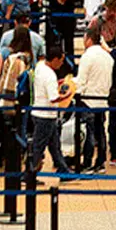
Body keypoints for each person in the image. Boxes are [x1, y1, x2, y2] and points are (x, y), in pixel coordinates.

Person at [31, 44, 74, 177]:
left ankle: (63, 169)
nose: (61, 64)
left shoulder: (40, 67)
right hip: (46, 115)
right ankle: (29, 174)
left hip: (39, 112)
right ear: (55, 59)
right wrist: (67, 95)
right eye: (61, 61)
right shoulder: (50, 75)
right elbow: (53, 98)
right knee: (38, 146)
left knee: (54, 145)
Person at [76, 29, 114, 172]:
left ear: (89, 39)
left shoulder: (87, 56)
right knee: (101, 132)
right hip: (103, 99)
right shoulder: (108, 57)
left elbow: (81, 80)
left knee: (89, 132)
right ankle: (101, 162)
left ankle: (87, 162)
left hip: (88, 99)